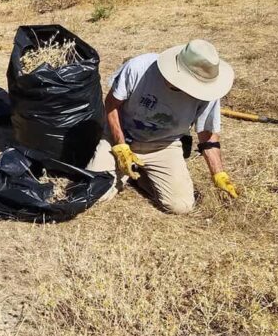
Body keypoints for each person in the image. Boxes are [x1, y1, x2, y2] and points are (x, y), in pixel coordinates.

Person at [87, 39, 238, 214]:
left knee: (181, 206)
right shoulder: (140, 67)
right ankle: (124, 170)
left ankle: (139, 175)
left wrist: (218, 174)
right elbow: (111, 105)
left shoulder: (208, 92)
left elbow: (207, 134)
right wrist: (120, 146)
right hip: (121, 137)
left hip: (163, 146)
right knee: (96, 193)